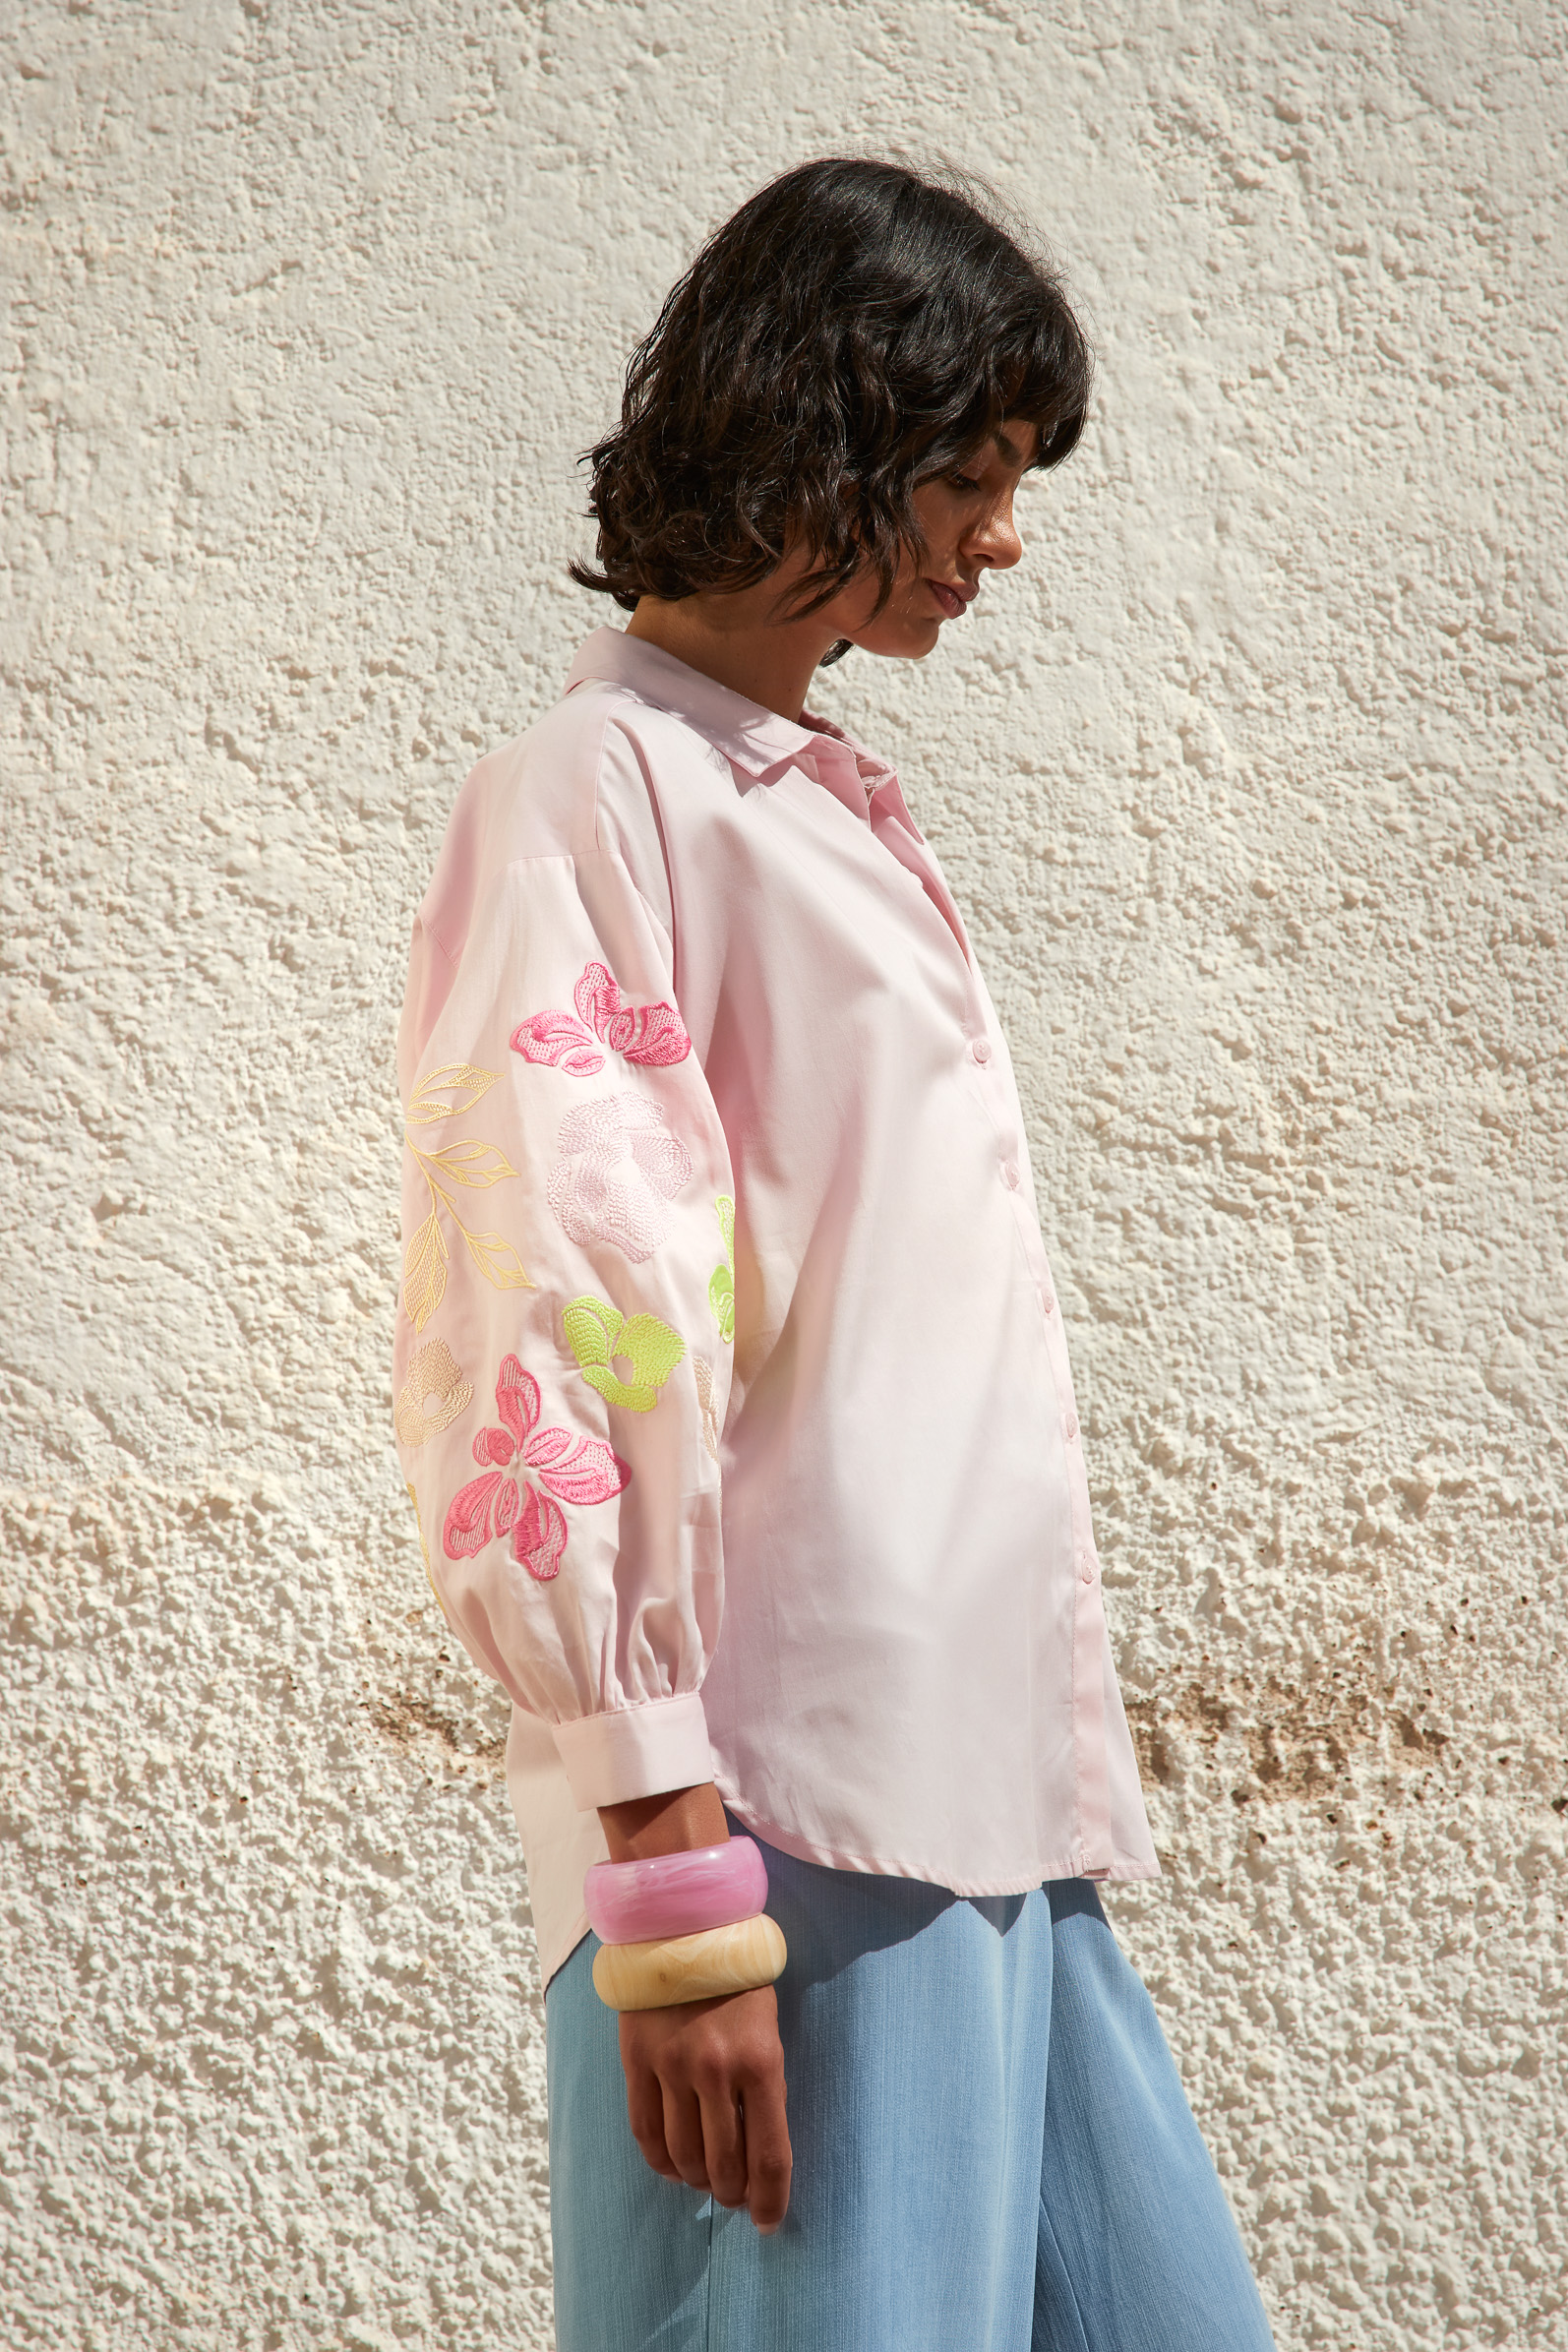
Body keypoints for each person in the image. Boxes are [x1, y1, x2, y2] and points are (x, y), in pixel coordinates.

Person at [392, 157, 1276, 2352]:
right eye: (968, 475)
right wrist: (671, 1882)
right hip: (781, 1825)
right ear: (823, 435)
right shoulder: (601, 791)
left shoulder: (801, 795)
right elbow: (560, 1311)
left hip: (984, 1813)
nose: (1002, 536)